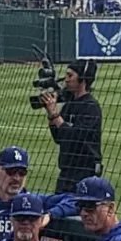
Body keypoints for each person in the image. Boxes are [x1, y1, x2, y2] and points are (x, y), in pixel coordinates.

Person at [39, 59, 103, 192]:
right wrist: (51, 114)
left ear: (83, 79)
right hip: (66, 173)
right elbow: (59, 137)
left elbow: (76, 137)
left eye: (70, 75)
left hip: (85, 173)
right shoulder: (69, 104)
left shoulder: (91, 107)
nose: (66, 80)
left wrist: (56, 116)